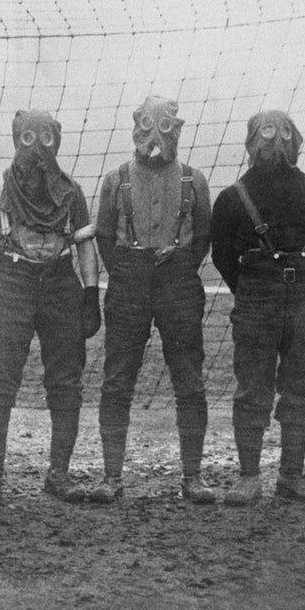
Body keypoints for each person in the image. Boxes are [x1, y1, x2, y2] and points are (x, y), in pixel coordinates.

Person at [0, 109, 102, 502]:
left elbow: (85, 243)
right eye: (27, 138)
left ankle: (59, 474)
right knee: (1, 379)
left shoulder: (71, 191)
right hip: (13, 280)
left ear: (56, 142)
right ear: (16, 139)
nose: (38, 149)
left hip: (61, 282)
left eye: (46, 139)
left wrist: (90, 294)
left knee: (65, 380)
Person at [210, 109, 305, 505]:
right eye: (264, 134)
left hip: (303, 300)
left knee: (301, 386)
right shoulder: (230, 200)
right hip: (256, 301)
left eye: (283, 134)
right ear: (249, 143)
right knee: (252, 389)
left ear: (296, 142)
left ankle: (291, 475)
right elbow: (222, 256)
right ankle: (249, 477)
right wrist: (251, 288)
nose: (274, 143)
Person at [94, 96, 213, 504]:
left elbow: (203, 240)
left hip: (178, 281)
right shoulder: (116, 180)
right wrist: (132, 269)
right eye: (147, 126)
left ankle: (193, 477)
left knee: (189, 379)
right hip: (129, 281)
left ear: (177, 130)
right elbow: (105, 240)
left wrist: (176, 262)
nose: (155, 136)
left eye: (165, 127)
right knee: (117, 379)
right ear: (135, 129)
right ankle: (111, 476)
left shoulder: (194, 180)